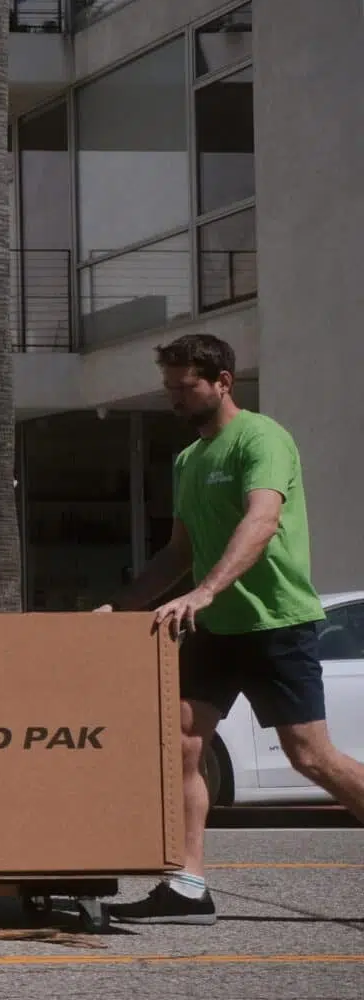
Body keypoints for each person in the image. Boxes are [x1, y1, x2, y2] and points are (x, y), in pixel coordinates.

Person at [103, 333, 364, 924]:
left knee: (312, 758)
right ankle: (188, 887)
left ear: (222, 381)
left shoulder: (262, 438)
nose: (174, 397)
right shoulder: (189, 460)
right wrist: (122, 609)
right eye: (168, 387)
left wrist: (206, 589)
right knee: (182, 745)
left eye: (184, 385)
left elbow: (262, 520)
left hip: (275, 624)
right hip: (215, 629)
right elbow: (178, 553)